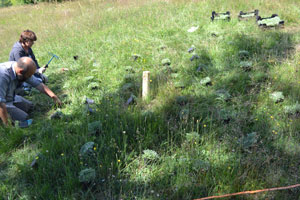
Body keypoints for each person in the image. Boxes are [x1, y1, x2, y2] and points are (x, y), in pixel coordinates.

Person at [0, 57, 62, 126]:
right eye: (29, 76)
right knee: (24, 117)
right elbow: (0, 103)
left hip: (10, 97)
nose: (30, 77)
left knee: (29, 107)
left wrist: (54, 97)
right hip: (2, 102)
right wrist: (8, 126)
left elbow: (38, 84)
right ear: (20, 72)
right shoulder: (3, 76)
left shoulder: (18, 68)